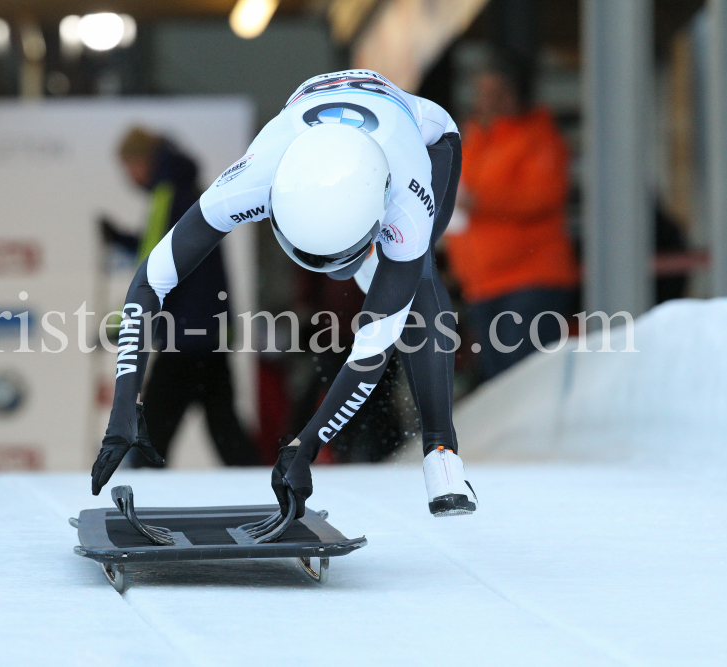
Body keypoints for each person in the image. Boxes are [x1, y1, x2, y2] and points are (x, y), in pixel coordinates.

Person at [91, 70, 477, 519]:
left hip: (425, 138)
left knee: (418, 278)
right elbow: (151, 280)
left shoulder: (406, 202)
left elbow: (371, 351)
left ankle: (441, 452)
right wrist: (124, 402)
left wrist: (305, 444)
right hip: (326, 127)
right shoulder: (257, 176)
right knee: (393, 285)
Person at [100, 128, 257, 466]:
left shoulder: (168, 195)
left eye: (128, 166)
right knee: (224, 428)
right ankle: (264, 489)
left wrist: (121, 322)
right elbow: (172, 249)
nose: (129, 175)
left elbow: (155, 266)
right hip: (208, 329)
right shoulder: (189, 193)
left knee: (155, 426)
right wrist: (124, 240)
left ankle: (135, 490)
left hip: (184, 335)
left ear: (142, 161)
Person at [443, 59, 579, 381]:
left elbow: (541, 196)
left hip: (531, 279)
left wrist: (478, 201)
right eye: (482, 91)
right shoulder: (475, 139)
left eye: (497, 91)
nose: (487, 100)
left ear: (517, 94)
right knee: (500, 384)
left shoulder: (538, 137)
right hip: (482, 284)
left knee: (522, 381)